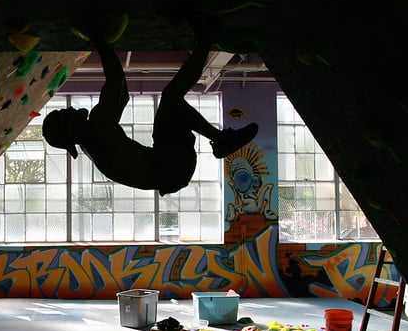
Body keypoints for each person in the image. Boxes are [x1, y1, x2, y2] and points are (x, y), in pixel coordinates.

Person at [42, 11, 258, 196]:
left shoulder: (94, 138)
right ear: (70, 131)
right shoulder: (96, 128)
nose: (69, 108)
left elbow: (122, 95)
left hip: (170, 169)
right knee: (171, 99)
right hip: (171, 166)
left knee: (171, 101)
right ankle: (220, 138)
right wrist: (101, 42)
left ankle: (204, 39)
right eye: (65, 114)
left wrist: (108, 48)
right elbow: (115, 82)